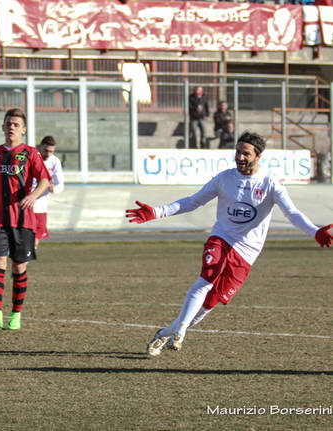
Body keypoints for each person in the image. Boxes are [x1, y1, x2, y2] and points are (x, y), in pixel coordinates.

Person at [125, 131, 333, 357]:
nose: (239, 157)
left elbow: (292, 213)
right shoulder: (224, 179)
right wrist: (157, 212)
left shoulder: (270, 184)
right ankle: (181, 331)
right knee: (207, 277)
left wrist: (314, 231)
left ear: (258, 156)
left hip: (247, 252)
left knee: (210, 302)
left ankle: (166, 332)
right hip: (221, 239)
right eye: (237, 152)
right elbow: (194, 201)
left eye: (246, 153)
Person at [0, 108, 51, 331]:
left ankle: (16, 314)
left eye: (16, 124)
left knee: (19, 266)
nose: (11, 127)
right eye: (8, 124)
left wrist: (33, 196)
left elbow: (44, 180)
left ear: (23, 130)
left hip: (24, 220)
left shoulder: (30, 153)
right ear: (3, 127)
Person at [33, 135, 65, 248]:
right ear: (40, 147)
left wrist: (54, 189)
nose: (48, 154)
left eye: (51, 151)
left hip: (41, 205)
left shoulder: (55, 161)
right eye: (46, 150)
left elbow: (60, 183)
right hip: (25, 202)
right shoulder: (31, 157)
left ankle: (27, 260)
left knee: (36, 236)